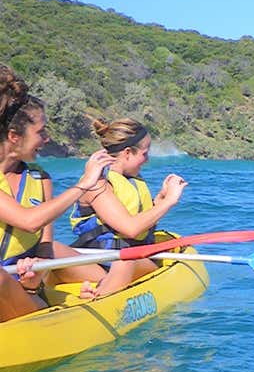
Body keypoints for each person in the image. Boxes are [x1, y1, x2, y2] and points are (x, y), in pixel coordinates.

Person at [0, 63, 115, 321]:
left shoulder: (40, 179)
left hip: (26, 294)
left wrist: (32, 278)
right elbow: (29, 222)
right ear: (14, 136)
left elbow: (44, 247)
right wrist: (83, 184)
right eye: (40, 132)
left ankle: (100, 295)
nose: (47, 139)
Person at [70, 118, 187, 298]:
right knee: (51, 248)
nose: (147, 160)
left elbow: (136, 221)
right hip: (98, 261)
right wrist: (169, 201)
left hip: (133, 261)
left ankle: (100, 292)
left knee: (124, 261)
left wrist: (159, 200)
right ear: (127, 153)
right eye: (144, 154)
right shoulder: (97, 183)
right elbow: (131, 228)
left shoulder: (130, 179)